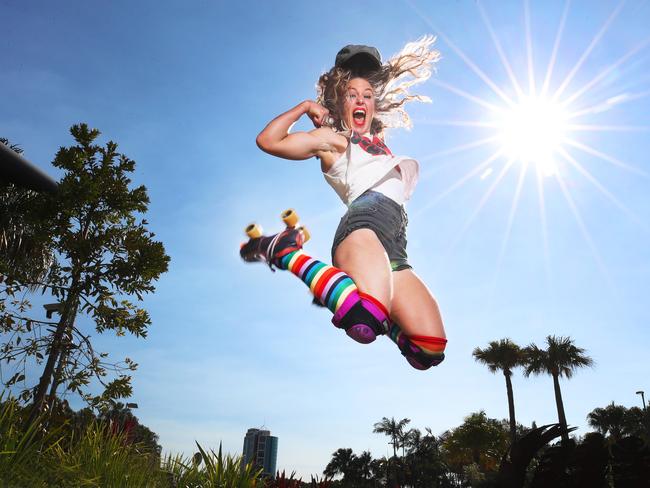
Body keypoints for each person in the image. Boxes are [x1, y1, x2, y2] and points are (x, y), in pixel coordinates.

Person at [241, 37, 447, 370]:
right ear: (340, 101)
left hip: (395, 241)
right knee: (363, 320)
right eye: (351, 95)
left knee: (426, 351)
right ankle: (285, 251)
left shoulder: (377, 141)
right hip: (364, 224)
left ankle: (354, 297)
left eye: (367, 95)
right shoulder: (333, 139)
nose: (361, 100)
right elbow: (268, 141)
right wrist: (307, 107)